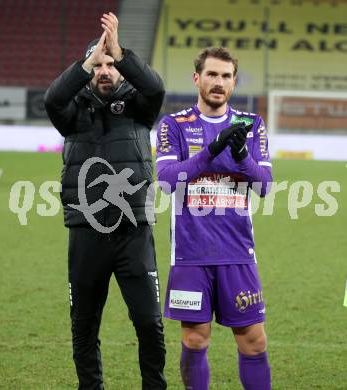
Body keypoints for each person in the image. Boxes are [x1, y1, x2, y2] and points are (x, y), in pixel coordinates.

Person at [44, 12, 166, 390]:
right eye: (98, 64)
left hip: (134, 231)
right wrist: (87, 61)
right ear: (87, 69)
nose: (105, 70)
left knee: (149, 322)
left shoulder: (139, 108)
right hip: (86, 232)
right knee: (84, 324)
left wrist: (121, 52)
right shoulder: (72, 113)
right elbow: (53, 97)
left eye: (111, 65)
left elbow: (157, 88)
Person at [156, 47, 272, 390]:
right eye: (211, 74)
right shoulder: (174, 125)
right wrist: (210, 152)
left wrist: (239, 156)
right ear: (197, 78)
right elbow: (165, 180)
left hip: (237, 253)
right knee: (194, 341)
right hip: (190, 255)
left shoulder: (250, 126)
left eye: (225, 76)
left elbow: (263, 185)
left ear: (234, 82)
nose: (218, 82)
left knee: (254, 341)